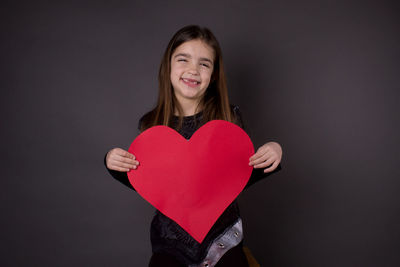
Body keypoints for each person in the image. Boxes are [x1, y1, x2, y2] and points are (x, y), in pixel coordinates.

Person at [104, 25, 283, 267]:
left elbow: (243, 173)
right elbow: (147, 183)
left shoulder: (228, 121)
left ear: (214, 75)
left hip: (224, 241)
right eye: (183, 59)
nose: (193, 70)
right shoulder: (151, 126)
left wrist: (273, 151)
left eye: (204, 64)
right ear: (168, 66)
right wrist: (113, 162)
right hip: (170, 245)